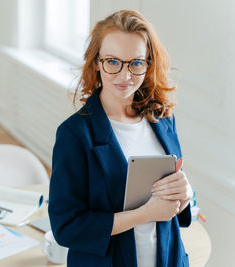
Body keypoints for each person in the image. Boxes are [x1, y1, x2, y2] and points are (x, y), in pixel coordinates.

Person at [48, 10, 194, 267]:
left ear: (148, 64)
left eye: (136, 63)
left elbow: (176, 204)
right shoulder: (74, 134)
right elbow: (66, 227)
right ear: (96, 62)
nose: (125, 76)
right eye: (113, 61)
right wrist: (145, 214)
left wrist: (185, 195)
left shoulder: (163, 119)